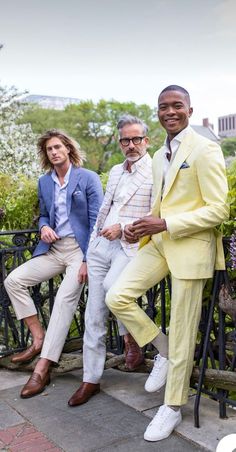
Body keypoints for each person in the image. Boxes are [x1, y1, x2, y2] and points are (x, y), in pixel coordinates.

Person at [105, 86, 229, 441]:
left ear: (190, 109)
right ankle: (164, 350)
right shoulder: (159, 154)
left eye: (177, 106)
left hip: (190, 248)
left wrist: (168, 224)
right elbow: (162, 204)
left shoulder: (205, 149)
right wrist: (140, 227)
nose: (170, 111)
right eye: (164, 107)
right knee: (117, 296)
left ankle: (172, 407)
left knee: (184, 326)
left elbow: (219, 209)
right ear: (157, 112)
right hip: (158, 242)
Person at [4, 129, 103, 398]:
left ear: (68, 149)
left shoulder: (88, 178)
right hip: (53, 249)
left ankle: (43, 368)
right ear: (46, 154)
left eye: (58, 147)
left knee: (63, 301)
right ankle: (38, 338)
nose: (54, 152)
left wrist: (86, 260)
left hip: (78, 253)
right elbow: (44, 215)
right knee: (13, 280)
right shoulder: (44, 182)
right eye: (49, 149)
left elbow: (98, 223)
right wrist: (44, 226)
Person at [67, 115, 153, 407]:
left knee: (112, 289)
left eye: (136, 139)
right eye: (125, 140)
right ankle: (90, 379)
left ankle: (133, 338)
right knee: (93, 315)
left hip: (129, 247)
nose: (131, 145)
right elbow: (103, 211)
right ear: (120, 143)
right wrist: (89, 252)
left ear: (146, 140)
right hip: (101, 246)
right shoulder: (116, 170)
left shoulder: (156, 171)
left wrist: (124, 226)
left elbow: (155, 213)